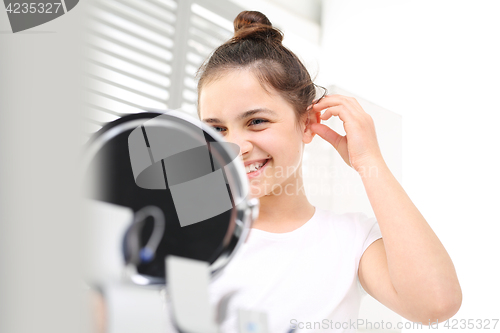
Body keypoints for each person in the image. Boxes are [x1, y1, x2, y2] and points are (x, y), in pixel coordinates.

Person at [196, 10, 462, 333]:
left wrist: (369, 163)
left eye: (256, 121)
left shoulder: (349, 240)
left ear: (307, 124)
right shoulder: (188, 232)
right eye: (217, 129)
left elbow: (436, 302)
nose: (235, 146)